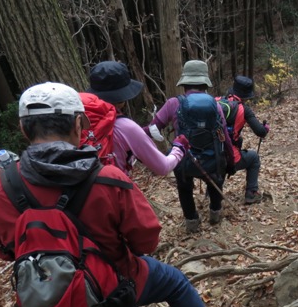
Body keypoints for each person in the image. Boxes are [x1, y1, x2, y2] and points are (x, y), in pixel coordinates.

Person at [0, 82, 237, 307]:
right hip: (120, 284)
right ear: (79, 124)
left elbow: (3, 250)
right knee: (174, 282)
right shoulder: (108, 179)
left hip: (48, 296)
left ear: (24, 129)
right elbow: (146, 241)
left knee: (64, 282)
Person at [145, 60, 235, 233]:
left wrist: (131, 131)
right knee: (215, 180)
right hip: (212, 160)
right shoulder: (215, 105)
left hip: (183, 160)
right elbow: (225, 138)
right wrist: (230, 161)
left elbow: (153, 128)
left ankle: (191, 221)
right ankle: (215, 213)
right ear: (205, 84)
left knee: (184, 187)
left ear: (184, 83)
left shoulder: (173, 103)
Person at [82, 61, 189, 176]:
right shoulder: (127, 127)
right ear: (122, 99)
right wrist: (179, 147)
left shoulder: (77, 120)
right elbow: (163, 167)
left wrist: (142, 133)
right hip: (112, 189)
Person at [218, 76, 270, 204]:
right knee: (253, 158)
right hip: (230, 157)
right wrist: (266, 128)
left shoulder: (217, 102)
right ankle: (251, 193)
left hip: (209, 155)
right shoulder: (244, 110)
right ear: (246, 96)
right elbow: (260, 132)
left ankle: (211, 196)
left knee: (218, 161)